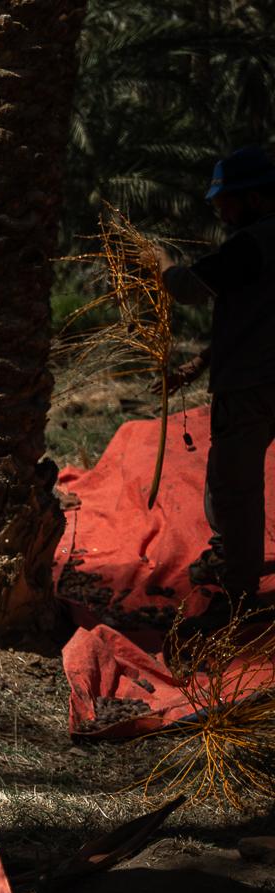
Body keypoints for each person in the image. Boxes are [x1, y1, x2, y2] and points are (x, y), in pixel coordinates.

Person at [162, 145, 275, 620]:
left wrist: (161, 261)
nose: (220, 210)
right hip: (260, 378)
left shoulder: (251, 244)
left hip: (251, 390)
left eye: (225, 201)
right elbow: (258, 318)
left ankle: (237, 598)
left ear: (253, 198)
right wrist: (201, 362)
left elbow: (187, 288)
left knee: (234, 491)